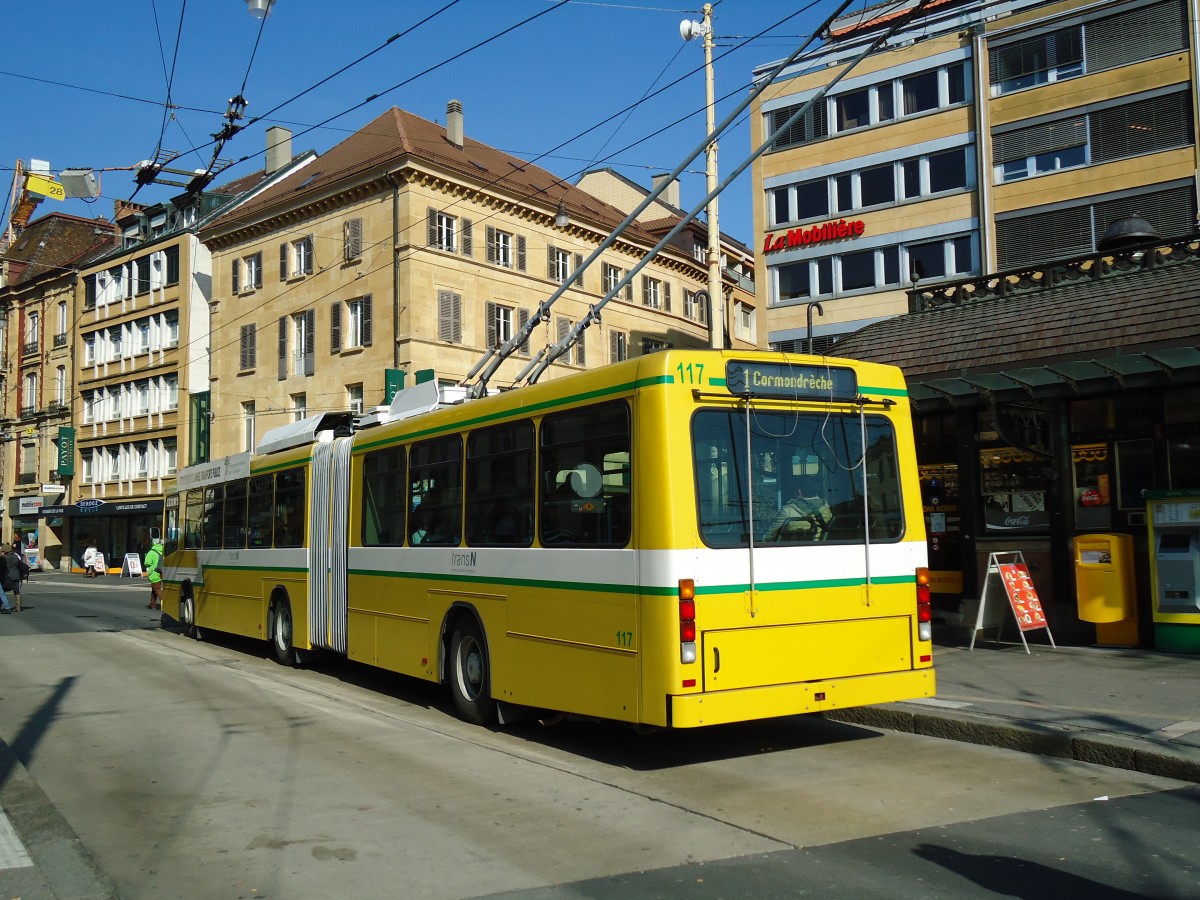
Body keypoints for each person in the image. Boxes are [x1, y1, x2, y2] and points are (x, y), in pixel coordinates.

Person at [766, 474, 833, 542]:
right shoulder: (827, 509)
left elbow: (770, 536)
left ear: (799, 491)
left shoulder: (787, 512)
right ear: (817, 490)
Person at [145, 530, 165, 610]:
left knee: (156, 588)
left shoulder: (152, 552)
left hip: (154, 572)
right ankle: (152, 604)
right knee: (154, 589)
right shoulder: (163, 550)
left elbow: (147, 562)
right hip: (161, 572)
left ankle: (165, 603)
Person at [3, 543, 23, 613]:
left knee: (2, 591)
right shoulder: (16, 557)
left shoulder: (6, 558)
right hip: (16, 575)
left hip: (8, 576)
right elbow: (20, 565)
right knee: (17, 591)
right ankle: (18, 607)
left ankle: (4, 606)